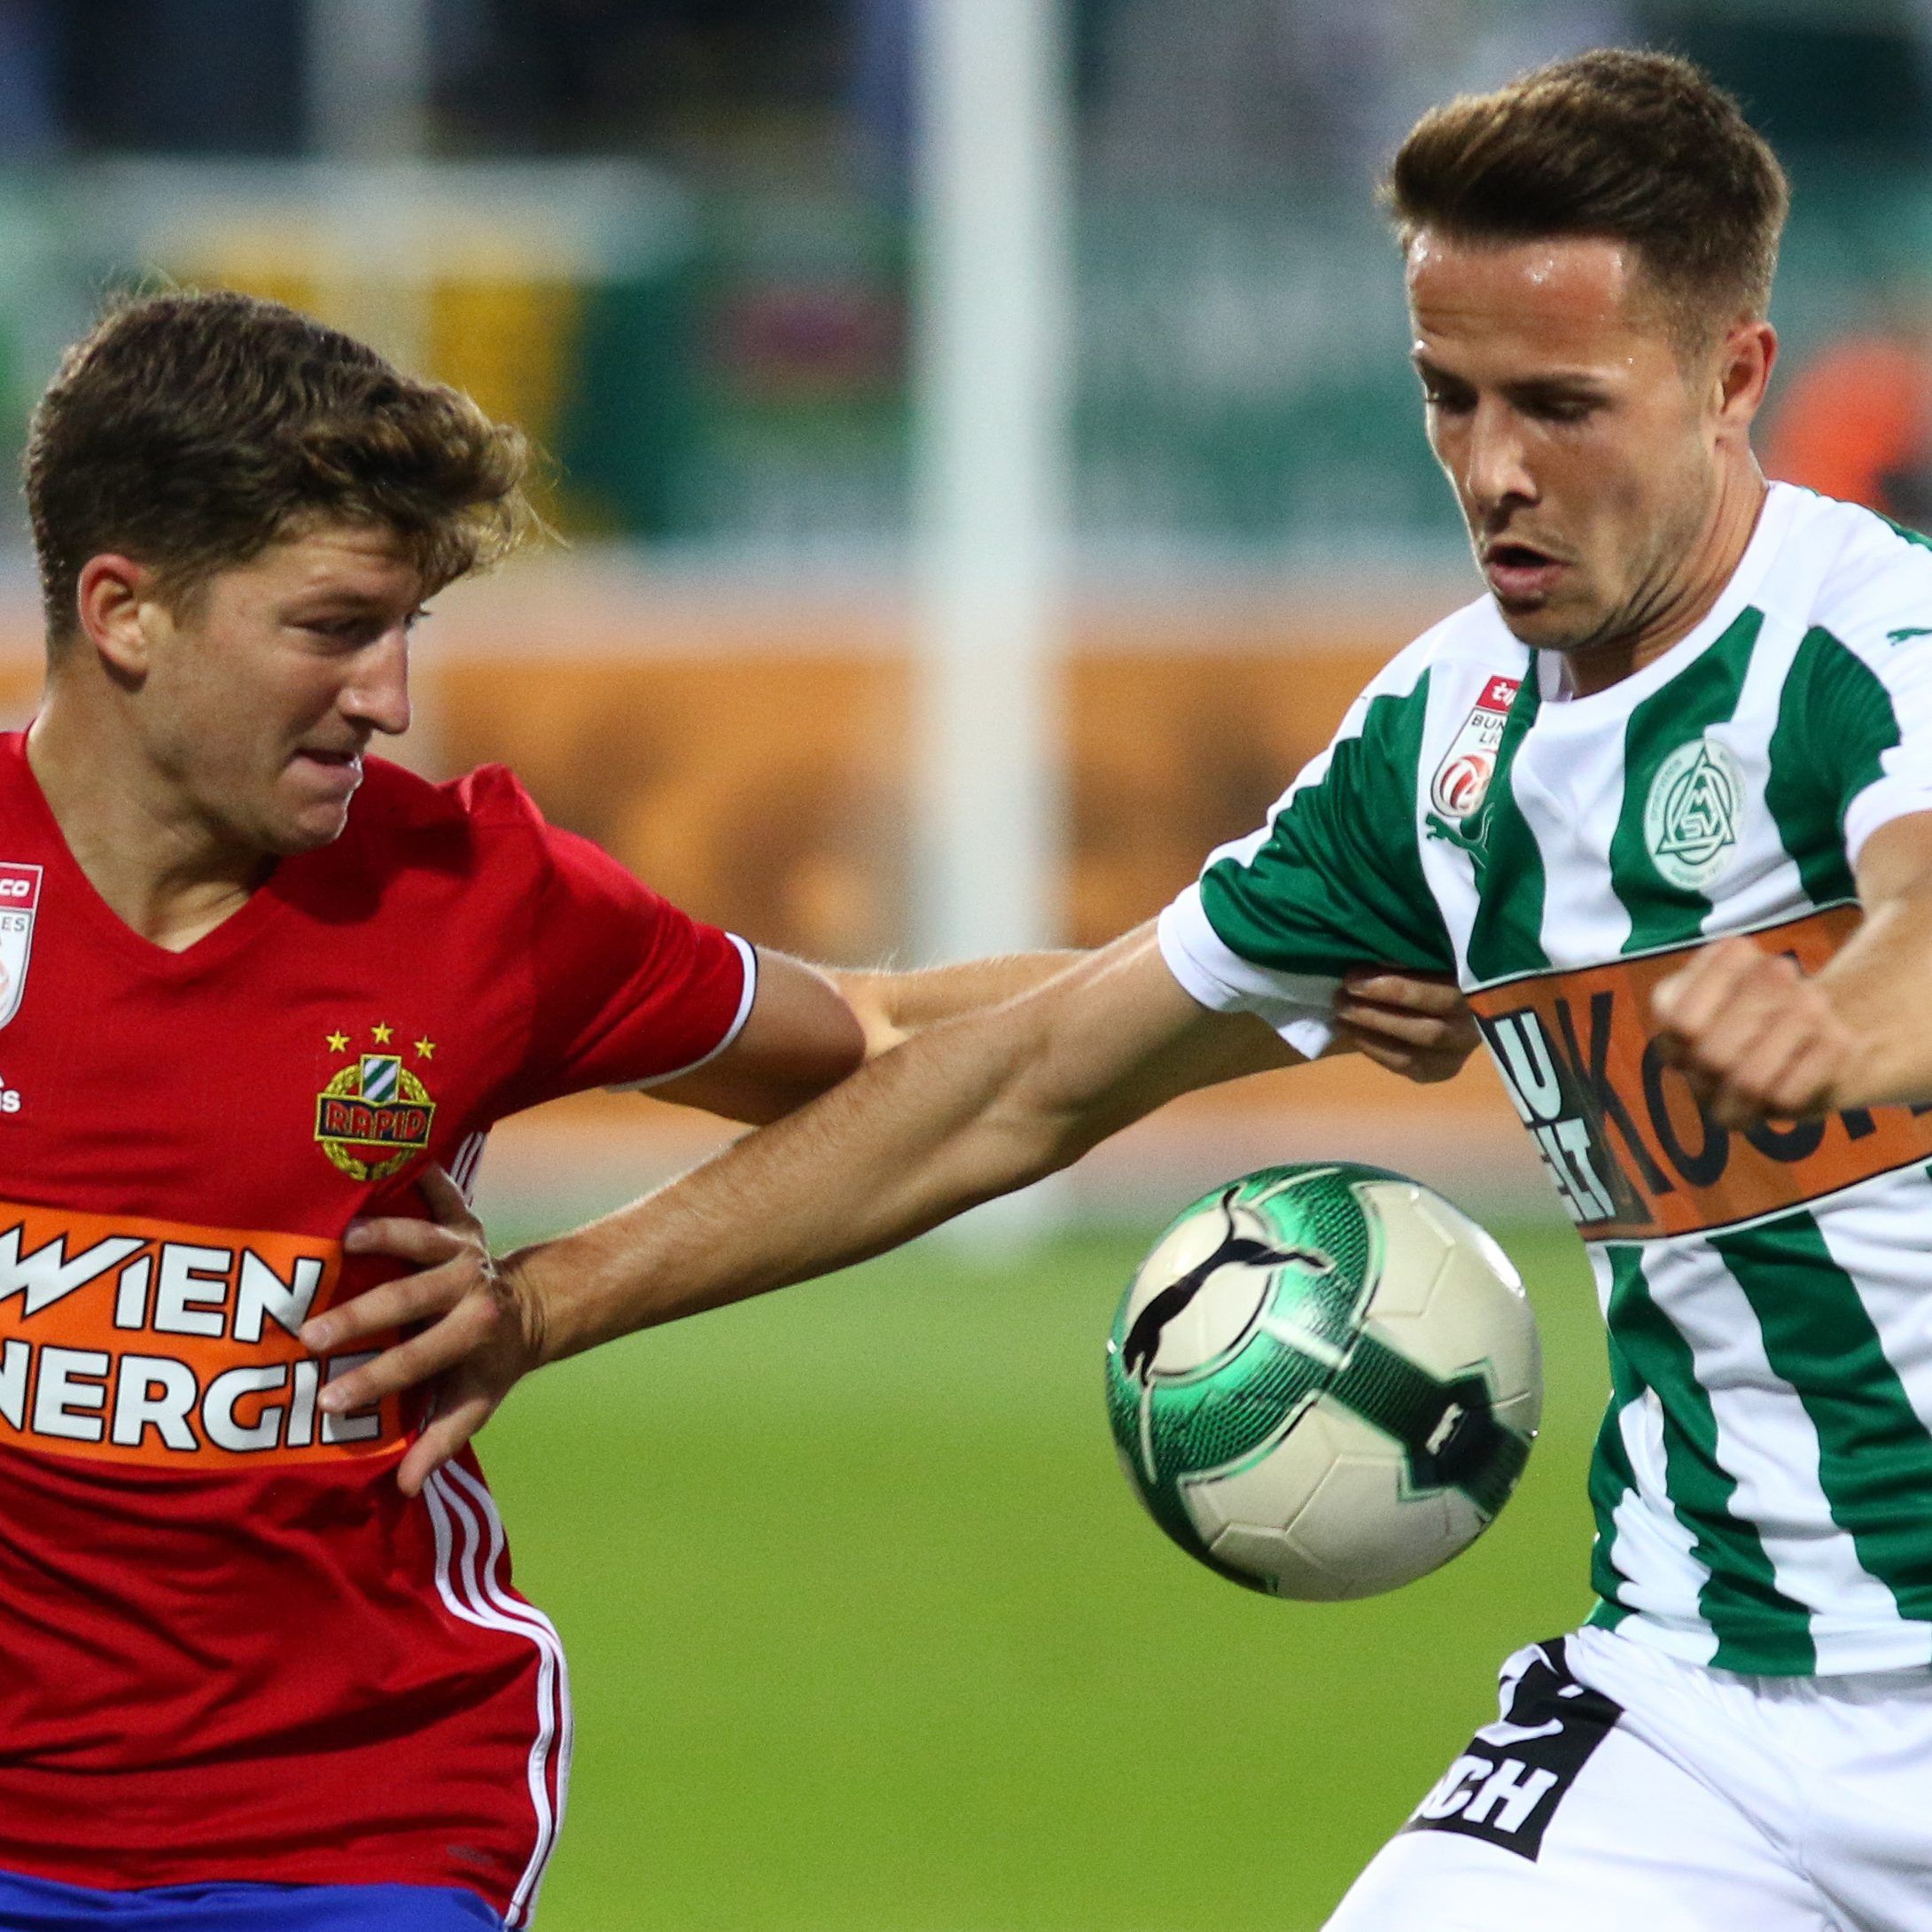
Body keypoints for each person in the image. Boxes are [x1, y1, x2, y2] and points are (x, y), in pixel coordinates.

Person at [331, 48, 1932, 1932]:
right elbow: (1033, 1078)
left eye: (1561, 406)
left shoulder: (1868, 646)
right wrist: (547, 1298)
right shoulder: (1443, 740)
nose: (1493, 469)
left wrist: (1857, 1021)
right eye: (1448, 397)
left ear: (1733, 376)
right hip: (1703, 1706)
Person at [0, 288, 1472, 1931]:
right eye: (336, 628)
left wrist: (1261, 978)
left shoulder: (471, 896)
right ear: (126, 613)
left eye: (406, 628)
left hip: (356, 1823)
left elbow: (876, 1034)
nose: (391, 697)